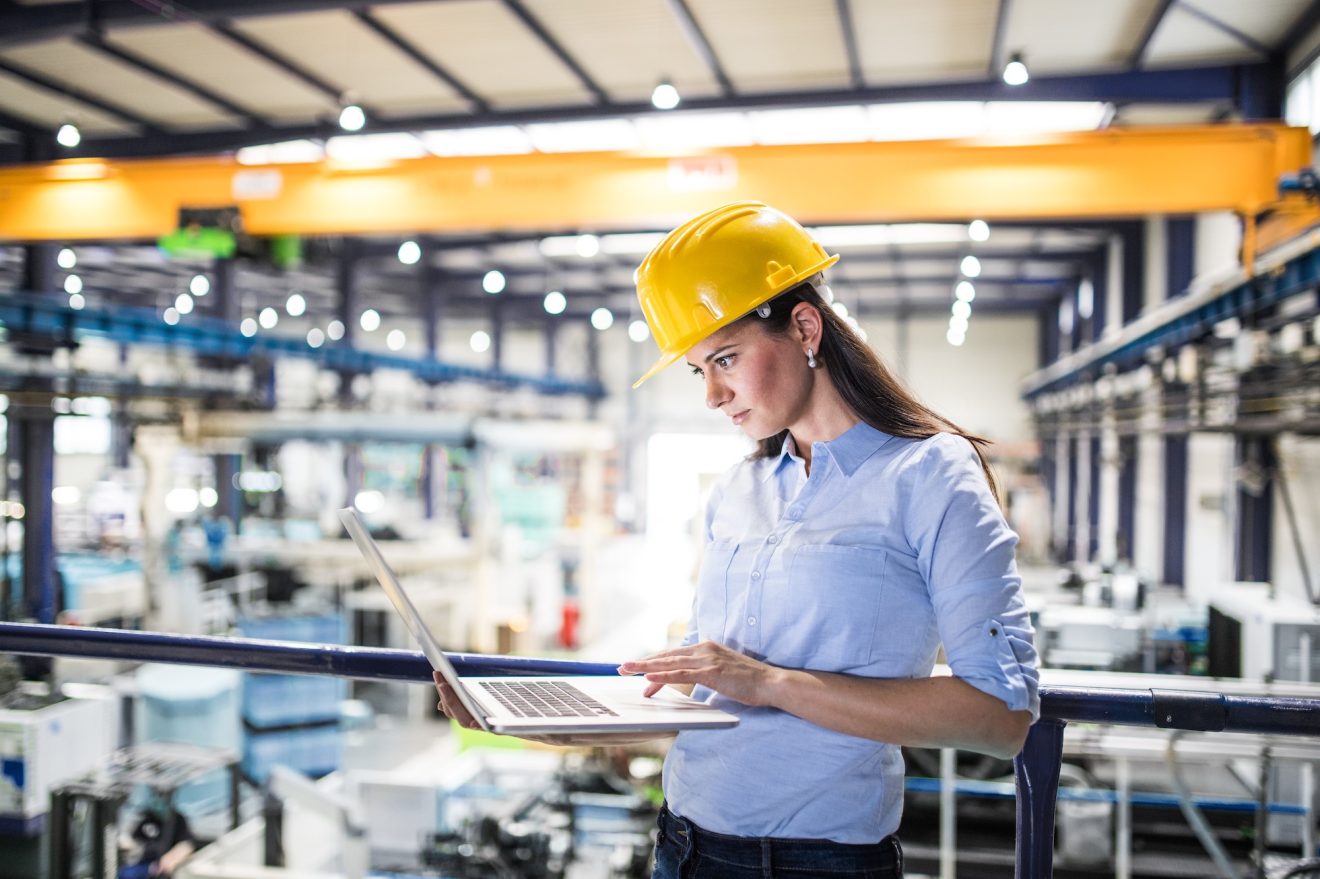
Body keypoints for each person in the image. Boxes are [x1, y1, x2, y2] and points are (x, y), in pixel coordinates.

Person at [436, 201, 1040, 879]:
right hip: (682, 849)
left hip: (819, 864)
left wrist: (769, 682)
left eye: (725, 357)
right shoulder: (736, 492)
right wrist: (538, 720)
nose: (713, 395)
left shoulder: (929, 473)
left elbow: (999, 715)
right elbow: (705, 697)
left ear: (805, 328)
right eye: (699, 369)